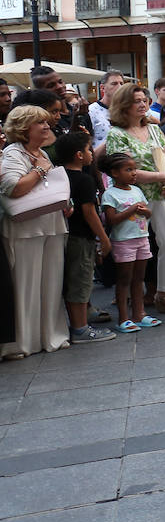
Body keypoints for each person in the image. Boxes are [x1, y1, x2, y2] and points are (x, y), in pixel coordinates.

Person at [103, 83, 165, 316]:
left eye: (144, 100)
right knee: (133, 245)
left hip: (163, 192)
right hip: (133, 197)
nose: (142, 104)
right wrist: (164, 175)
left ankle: (164, 294)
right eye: (136, 101)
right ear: (124, 105)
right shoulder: (116, 134)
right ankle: (132, 299)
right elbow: (125, 171)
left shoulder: (153, 129)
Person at [0, 105, 70, 359]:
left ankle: (49, 335)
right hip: (25, 228)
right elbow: (13, 188)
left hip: (49, 224)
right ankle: (22, 342)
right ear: (24, 127)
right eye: (40, 122)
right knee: (26, 286)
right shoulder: (13, 153)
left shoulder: (39, 152)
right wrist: (39, 170)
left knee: (51, 283)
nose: (47, 125)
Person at [57, 131, 115, 344]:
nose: (92, 153)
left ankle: (79, 324)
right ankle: (80, 328)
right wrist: (104, 238)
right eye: (89, 149)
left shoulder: (60, 174)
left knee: (74, 280)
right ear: (79, 155)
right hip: (82, 237)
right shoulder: (84, 179)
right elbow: (89, 212)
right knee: (80, 281)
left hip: (68, 235)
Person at [99, 151, 161, 333]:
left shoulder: (137, 190)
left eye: (134, 169)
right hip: (123, 241)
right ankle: (123, 318)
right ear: (115, 172)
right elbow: (112, 220)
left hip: (141, 238)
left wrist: (145, 212)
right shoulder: (110, 194)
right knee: (124, 279)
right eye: (128, 169)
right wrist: (132, 210)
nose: (134, 173)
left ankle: (139, 314)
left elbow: (148, 212)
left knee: (139, 278)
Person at [88, 69, 126, 149]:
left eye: (121, 83)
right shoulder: (91, 111)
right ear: (102, 88)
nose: (119, 87)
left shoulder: (127, 110)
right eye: (114, 84)